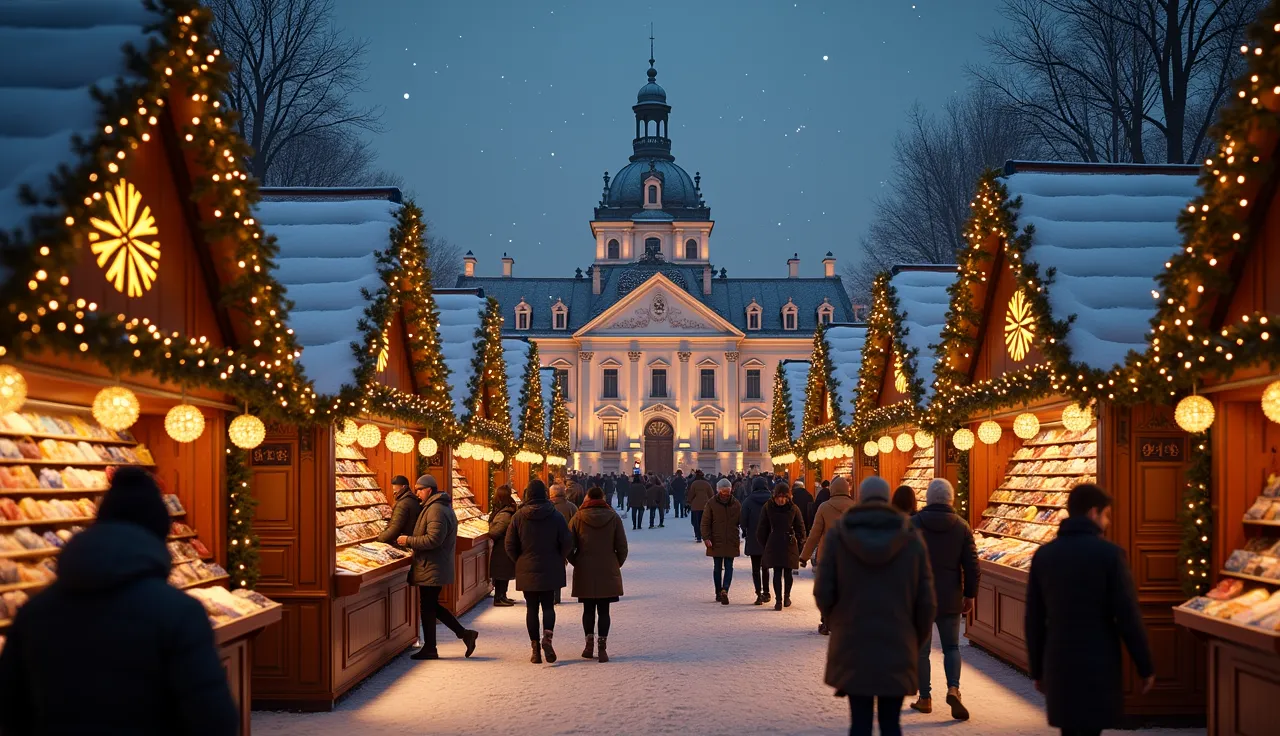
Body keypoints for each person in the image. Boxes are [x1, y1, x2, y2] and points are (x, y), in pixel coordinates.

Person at [0, 466, 238, 735]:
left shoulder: (35, 613)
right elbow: (213, 719)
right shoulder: (178, 613)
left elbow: (11, 712)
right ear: (158, 535)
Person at [1026, 484, 1154, 736]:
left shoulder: (1045, 555)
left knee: (1069, 729)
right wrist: (1145, 665)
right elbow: (1127, 615)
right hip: (1098, 658)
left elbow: (1034, 618)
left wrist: (1038, 669)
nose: (1106, 522)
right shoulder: (1110, 555)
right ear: (1093, 513)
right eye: (1106, 515)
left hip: (1059, 657)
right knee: (1091, 729)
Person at [816, 475, 936, 736]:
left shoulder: (840, 535)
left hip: (853, 638)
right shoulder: (910, 536)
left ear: (860, 498)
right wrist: (915, 637)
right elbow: (926, 600)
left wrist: (836, 620)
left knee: (859, 722)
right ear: (887, 498)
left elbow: (823, 590)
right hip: (897, 638)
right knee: (891, 723)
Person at [909, 478, 978, 719]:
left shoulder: (913, 524)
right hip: (950, 596)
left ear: (928, 498)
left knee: (921, 651)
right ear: (950, 499)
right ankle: (954, 689)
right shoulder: (961, 526)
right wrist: (970, 594)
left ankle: (925, 698)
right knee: (951, 647)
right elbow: (971, 565)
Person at [399, 474, 479, 660]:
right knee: (430, 605)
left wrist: (408, 540)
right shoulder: (436, 507)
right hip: (433, 564)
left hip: (432, 564)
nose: (416, 493)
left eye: (419, 489)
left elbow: (434, 539)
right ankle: (463, 635)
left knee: (428, 606)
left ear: (428, 489)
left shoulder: (436, 510)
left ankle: (433, 647)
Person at [505, 479, 572, 664]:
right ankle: (547, 639)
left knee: (531, 608)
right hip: (551, 566)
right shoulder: (556, 515)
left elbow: (509, 545)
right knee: (548, 606)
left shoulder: (518, 517)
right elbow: (567, 541)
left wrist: (520, 560)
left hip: (527, 567)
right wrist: (560, 556)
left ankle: (535, 649)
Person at [568, 487, 628, 662]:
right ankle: (602, 646)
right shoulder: (613, 517)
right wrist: (615, 563)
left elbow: (568, 545)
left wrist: (576, 561)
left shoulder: (578, 517)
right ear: (603, 497)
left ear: (587, 498)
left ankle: (588, 644)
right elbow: (622, 546)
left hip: (585, 567)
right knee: (604, 610)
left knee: (588, 609)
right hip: (607, 567)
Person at [800, 475, 857, 635]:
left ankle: (826, 622)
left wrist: (804, 556)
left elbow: (814, 534)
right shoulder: (855, 507)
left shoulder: (824, 507)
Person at [757, 482, 807, 610]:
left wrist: (801, 543)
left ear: (788, 497)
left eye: (784, 497)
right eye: (779, 496)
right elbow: (762, 528)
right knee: (778, 572)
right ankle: (779, 600)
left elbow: (800, 528)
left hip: (788, 542)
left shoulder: (793, 508)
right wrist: (765, 543)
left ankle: (785, 597)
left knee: (788, 571)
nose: (781, 499)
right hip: (776, 541)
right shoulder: (770, 507)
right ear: (774, 496)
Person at [701, 478, 742, 605]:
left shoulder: (712, 503)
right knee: (726, 566)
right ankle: (723, 590)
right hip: (723, 539)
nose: (725, 493)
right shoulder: (735, 503)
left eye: (727, 491)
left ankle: (720, 591)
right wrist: (706, 537)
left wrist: (707, 537)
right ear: (719, 490)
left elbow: (705, 522)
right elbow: (705, 523)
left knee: (719, 567)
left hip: (721, 539)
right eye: (724, 491)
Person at [741, 476, 773, 605]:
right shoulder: (771, 500)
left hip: (754, 537)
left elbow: (743, 520)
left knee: (755, 568)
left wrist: (745, 530)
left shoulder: (748, 501)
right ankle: (767, 591)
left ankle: (758, 593)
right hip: (768, 538)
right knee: (765, 567)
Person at [487, 484, 519, 607]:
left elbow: (496, 531)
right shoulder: (508, 509)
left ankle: (499, 597)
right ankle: (501, 596)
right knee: (503, 573)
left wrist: (490, 529)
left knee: (501, 572)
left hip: (502, 546)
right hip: (504, 544)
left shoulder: (505, 513)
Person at [377, 474, 421, 546]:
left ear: (403, 487)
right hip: (411, 539)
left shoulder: (403, 503)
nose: (394, 492)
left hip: (403, 542)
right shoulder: (412, 499)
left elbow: (395, 527)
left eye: (395, 490)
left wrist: (380, 539)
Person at [686, 469, 714, 543]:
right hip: (705, 505)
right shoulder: (707, 484)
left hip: (695, 506)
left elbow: (691, 494)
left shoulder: (694, 484)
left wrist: (688, 502)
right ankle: (704, 535)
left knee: (696, 522)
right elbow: (711, 495)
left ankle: (698, 536)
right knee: (704, 522)